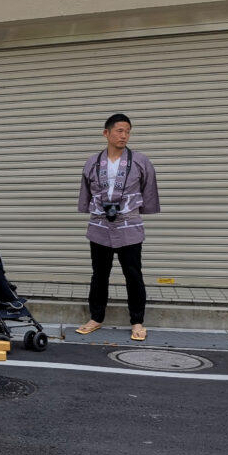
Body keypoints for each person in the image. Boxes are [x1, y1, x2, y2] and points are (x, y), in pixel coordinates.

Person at [76, 113, 160, 342]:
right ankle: (96, 317)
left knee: (133, 274)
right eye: (120, 131)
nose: (125, 136)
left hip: (128, 225)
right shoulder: (92, 162)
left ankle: (137, 321)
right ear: (107, 133)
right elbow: (86, 190)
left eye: (128, 131)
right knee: (99, 275)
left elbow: (148, 188)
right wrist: (86, 206)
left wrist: (142, 210)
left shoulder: (140, 161)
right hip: (100, 226)